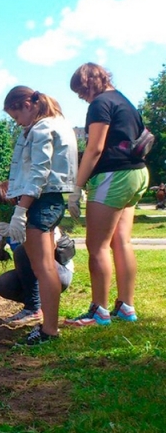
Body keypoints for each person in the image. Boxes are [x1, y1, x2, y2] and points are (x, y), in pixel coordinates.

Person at [66, 63, 149, 325]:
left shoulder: (100, 104)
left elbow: (94, 149)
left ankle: (99, 312)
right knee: (121, 242)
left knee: (97, 245)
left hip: (114, 175)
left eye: (81, 90)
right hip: (137, 174)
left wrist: (76, 187)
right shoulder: (124, 101)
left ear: (90, 81)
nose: (81, 96)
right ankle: (126, 307)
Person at [0, 86, 78, 345]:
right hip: (49, 200)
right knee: (43, 268)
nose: (17, 122)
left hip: (41, 201)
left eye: (16, 116)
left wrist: (21, 209)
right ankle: (48, 326)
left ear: (27, 105)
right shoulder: (60, 123)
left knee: (43, 268)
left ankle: (49, 331)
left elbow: (39, 172)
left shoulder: (43, 128)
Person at [0, 181, 75, 327]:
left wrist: (22, 234)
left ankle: (34, 310)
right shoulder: (4, 227)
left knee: (22, 251)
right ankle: (40, 305)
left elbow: (49, 249)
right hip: (37, 276)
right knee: (4, 284)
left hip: (58, 273)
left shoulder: (37, 220)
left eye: (2, 206)